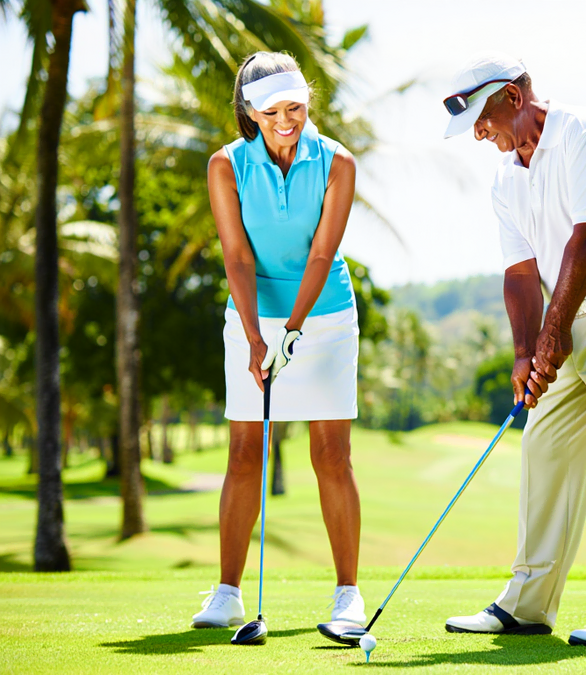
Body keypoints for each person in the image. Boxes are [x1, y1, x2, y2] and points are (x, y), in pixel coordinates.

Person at [440, 53, 586, 647]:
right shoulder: (505, 177)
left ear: (514, 99)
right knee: (542, 446)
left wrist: (554, 331)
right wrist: (526, 352)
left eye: (481, 115)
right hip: (571, 314)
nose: (477, 131)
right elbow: (521, 271)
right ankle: (527, 604)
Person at [191, 51, 366, 630]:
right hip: (252, 317)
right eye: (272, 111)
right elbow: (237, 256)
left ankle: (347, 596)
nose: (286, 121)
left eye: (295, 107)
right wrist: (253, 335)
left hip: (326, 316)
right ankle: (227, 593)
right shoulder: (226, 165)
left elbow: (322, 251)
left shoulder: (337, 161)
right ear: (251, 112)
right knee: (244, 453)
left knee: (331, 455)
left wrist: (293, 328)